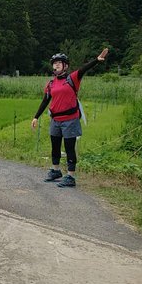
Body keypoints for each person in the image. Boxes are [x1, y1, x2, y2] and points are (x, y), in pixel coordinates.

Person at [31, 48, 109, 188]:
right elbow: (45, 101)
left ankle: (71, 176)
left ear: (65, 65)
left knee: (69, 148)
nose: (56, 66)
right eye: (54, 64)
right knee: (55, 146)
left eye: (59, 63)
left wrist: (96, 60)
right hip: (55, 120)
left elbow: (83, 69)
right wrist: (36, 117)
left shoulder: (72, 78)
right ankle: (56, 171)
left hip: (70, 120)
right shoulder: (51, 83)